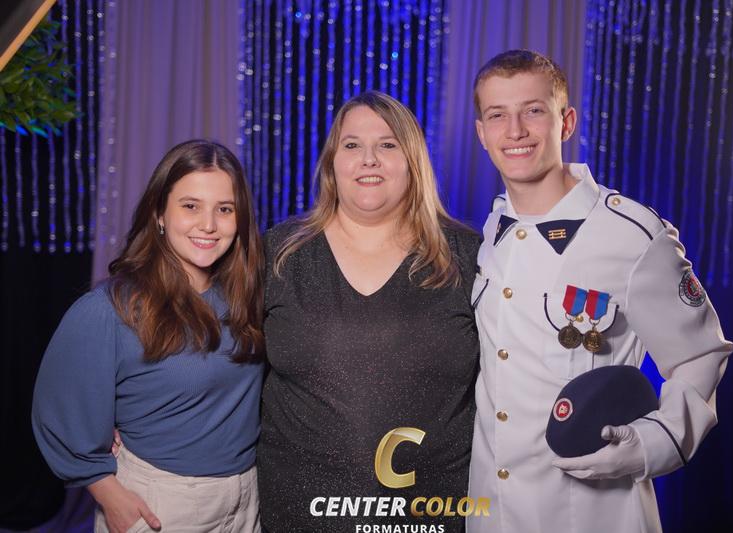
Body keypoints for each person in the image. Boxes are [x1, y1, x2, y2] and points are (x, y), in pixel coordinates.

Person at [466, 50, 733, 533]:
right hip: (492, 512)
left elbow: (701, 353)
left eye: (533, 111)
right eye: (498, 115)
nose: (515, 131)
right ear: (482, 133)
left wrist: (652, 442)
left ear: (566, 122)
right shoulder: (489, 233)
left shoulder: (631, 233)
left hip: (595, 514)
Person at [257, 90, 480, 532]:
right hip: (301, 514)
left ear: (412, 161)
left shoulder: (469, 257)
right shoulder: (278, 254)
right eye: (352, 144)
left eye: (387, 144)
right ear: (332, 162)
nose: (369, 159)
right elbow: (216, 355)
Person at [32, 139, 265, 533]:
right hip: (162, 505)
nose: (208, 224)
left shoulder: (248, 297)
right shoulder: (110, 308)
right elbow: (57, 409)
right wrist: (105, 488)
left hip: (247, 500)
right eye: (190, 206)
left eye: (224, 209)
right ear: (159, 213)